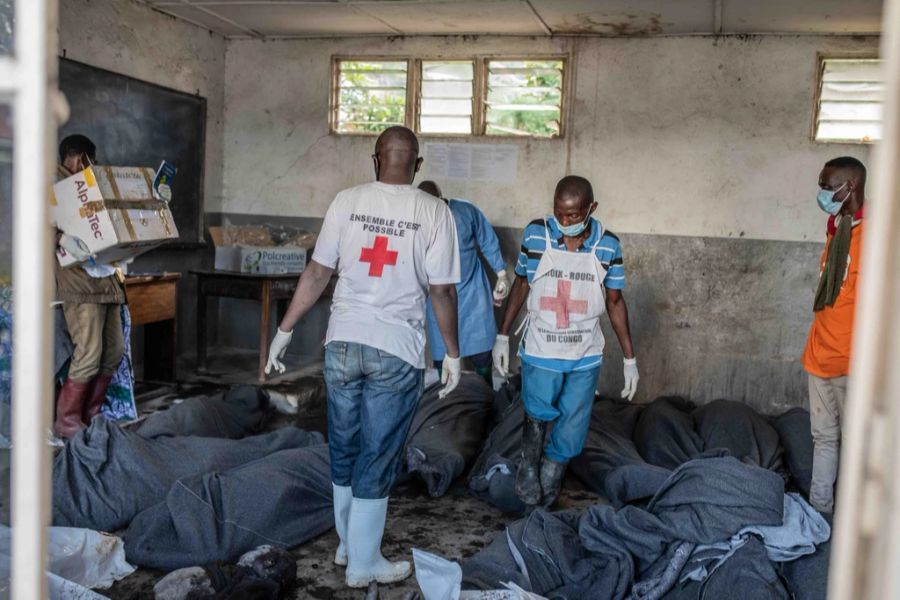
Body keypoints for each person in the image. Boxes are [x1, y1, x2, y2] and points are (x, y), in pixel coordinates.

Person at [265, 126, 461, 588]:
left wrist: (284, 329)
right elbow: (442, 290)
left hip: (343, 344)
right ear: (417, 165)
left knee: (346, 445)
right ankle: (364, 562)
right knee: (378, 453)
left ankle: (349, 543)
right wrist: (452, 353)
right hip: (395, 349)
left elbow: (317, 271)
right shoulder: (434, 211)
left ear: (376, 160)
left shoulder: (346, 201)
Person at [493, 175, 638, 507]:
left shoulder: (608, 244)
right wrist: (503, 334)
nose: (564, 221)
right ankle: (529, 466)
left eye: (573, 215)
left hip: (584, 352)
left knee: (573, 423)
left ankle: (552, 475)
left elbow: (615, 301)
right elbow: (522, 284)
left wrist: (630, 358)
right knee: (537, 411)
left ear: (591, 209)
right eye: (559, 213)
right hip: (542, 346)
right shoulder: (536, 234)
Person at [801, 156, 866, 514]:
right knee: (824, 438)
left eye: (827, 186)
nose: (822, 193)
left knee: (857, 444)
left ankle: (854, 518)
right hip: (820, 356)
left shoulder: (878, 237)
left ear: (850, 187)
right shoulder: (836, 226)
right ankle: (820, 509)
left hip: (853, 363)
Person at [53, 134, 126, 440]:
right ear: (82, 158)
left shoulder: (89, 189)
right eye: (90, 162)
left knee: (113, 351)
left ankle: (90, 415)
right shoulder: (53, 184)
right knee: (89, 351)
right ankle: (67, 421)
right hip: (79, 284)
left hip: (105, 279)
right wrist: (60, 238)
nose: (92, 168)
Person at [419, 180, 509, 387]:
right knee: (443, 355)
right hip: (438, 297)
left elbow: (487, 240)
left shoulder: (465, 211)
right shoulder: (418, 219)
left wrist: (502, 273)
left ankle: (485, 396)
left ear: (442, 199)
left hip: (472, 292)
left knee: (481, 355)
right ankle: (448, 399)